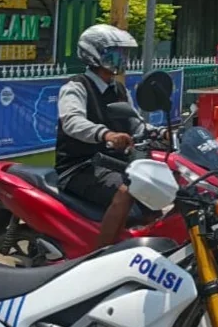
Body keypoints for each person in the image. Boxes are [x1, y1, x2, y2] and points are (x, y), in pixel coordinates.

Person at [56, 24, 157, 248]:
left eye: (124, 54)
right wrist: (106, 134)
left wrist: (158, 132)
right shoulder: (76, 87)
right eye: (115, 53)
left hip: (115, 163)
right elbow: (72, 122)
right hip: (80, 166)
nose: (122, 59)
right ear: (94, 54)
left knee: (156, 188)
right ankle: (100, 253)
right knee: (127, 190)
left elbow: (134, 122)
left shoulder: (119, 89)